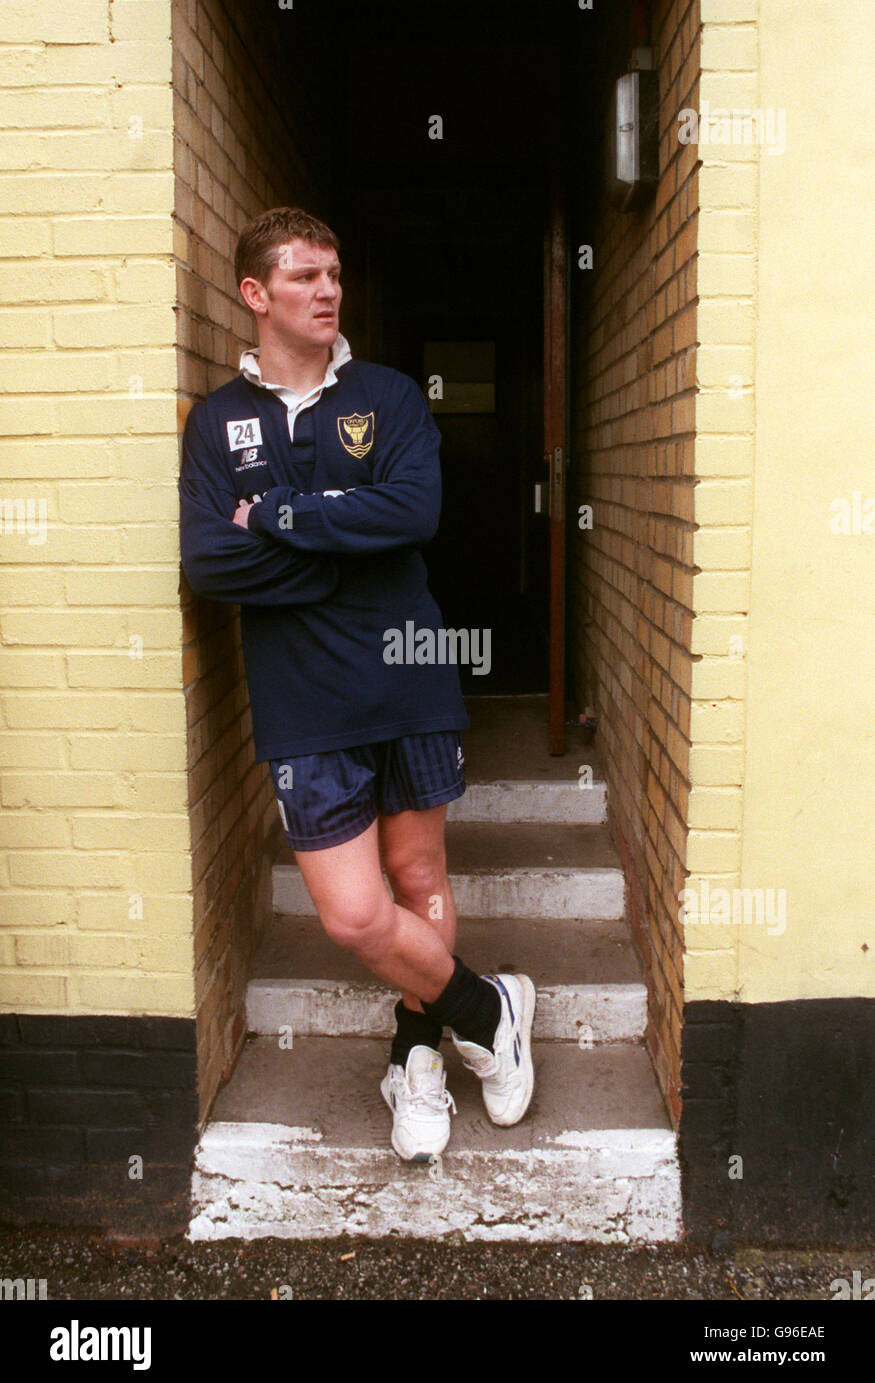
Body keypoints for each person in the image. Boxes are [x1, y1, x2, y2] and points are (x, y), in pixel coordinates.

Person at [178, 206, 535, 1161]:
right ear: (256, 295)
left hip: (408, 672)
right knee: (351, 912)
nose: (326, 291)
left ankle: (416, 1054)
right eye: (303, 277)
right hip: (300, 697)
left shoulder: (388, 394)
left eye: (333, 274)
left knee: (418, 878)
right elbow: (212, 564)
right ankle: (484, 1006)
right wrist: (347, 542)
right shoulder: (218, 423)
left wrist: (284, 517)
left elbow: (414, 511)